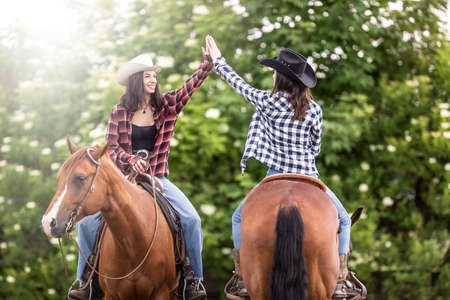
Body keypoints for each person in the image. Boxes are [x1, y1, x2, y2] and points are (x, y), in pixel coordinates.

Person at [205, 35, 364, 299]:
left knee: (237, 217)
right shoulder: (315, 109)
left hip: (274, 175)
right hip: (308, 175)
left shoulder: (267, 101)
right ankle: (340, 279)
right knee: (344, 220)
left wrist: (218, 61)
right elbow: (316, 147)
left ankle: (241, 276)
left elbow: (238, 84)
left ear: (279, 77)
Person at [68, 43, 213, 300]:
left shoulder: (167, 105)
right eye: (148, 75)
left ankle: (194, 281)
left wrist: (208, 64)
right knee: (88, 223)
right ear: (136, 80)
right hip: (125, 180)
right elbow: (110, 150)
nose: (153, 79)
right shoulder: (119, 112)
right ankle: (86, 283)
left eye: (154, 75)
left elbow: (190, 87)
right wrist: (130, 159)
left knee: (192, 219)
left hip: (158, 178)